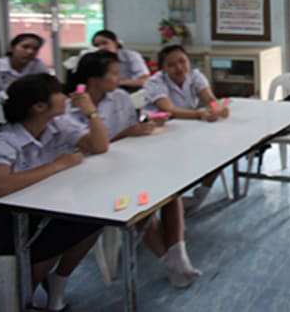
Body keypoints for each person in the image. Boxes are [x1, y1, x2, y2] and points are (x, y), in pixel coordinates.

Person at [69, 50, 202, 288]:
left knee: (171, 191)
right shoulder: (75, 107)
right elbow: (91, 150)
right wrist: (125, 134)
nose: (118, 79)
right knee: (139, 201)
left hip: (127, 163)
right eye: (114, 74)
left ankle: (178, 255)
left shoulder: (119, 97)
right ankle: (169, 261)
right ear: (94, 79)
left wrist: (145, 125)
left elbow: (131, 128)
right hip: (93, 175)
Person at [0, 73, 109, 312]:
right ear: (38, 106)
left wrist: (91, 112)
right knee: (55, 237)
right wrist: (58, 165)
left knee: (92, 222)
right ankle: (20, 301)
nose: (65, 95)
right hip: (4, 219)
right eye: (57, 92)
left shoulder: (56, 124)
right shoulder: (5, 140)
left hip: (43, 207)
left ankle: (56, 282)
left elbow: (99, 146)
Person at [144, 44, 229, 212]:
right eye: (171, 65)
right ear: (163, 69)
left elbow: (209, 99)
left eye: (182, 62)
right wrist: (200, 115)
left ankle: (200, 195)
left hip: (187, 129)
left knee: (222, 152)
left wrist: (219, 108)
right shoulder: (155, 82)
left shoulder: (195, 76)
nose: (179, 68)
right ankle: (169, 202)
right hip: (159, 133)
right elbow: (169, 110)